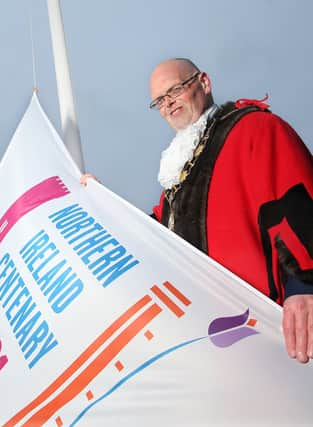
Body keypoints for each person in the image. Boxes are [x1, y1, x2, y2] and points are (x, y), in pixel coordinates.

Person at [83, 58, 313, 363]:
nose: (168, 104)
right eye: (160, 100)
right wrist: (103, 203)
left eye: (175, 89)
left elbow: (297, 201)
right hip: (213, 340)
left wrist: (305, 285)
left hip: (274, 323)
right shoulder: (179, 174)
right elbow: (155, 234)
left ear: (204, 83)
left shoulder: (254, 128)